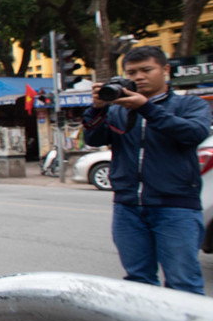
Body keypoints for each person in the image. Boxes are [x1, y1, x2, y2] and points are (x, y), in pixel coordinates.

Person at [83, 45, 211, 295]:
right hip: (128, 207)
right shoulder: (119, 110)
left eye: (146, 70)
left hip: (176, 206)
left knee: (183, 282)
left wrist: (146, 108)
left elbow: (193, 134)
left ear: (164, 69)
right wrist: (98, 108)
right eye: (132, 72)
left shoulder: (189, 104)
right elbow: (94, 139)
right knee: (138, 282)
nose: (138, 77)